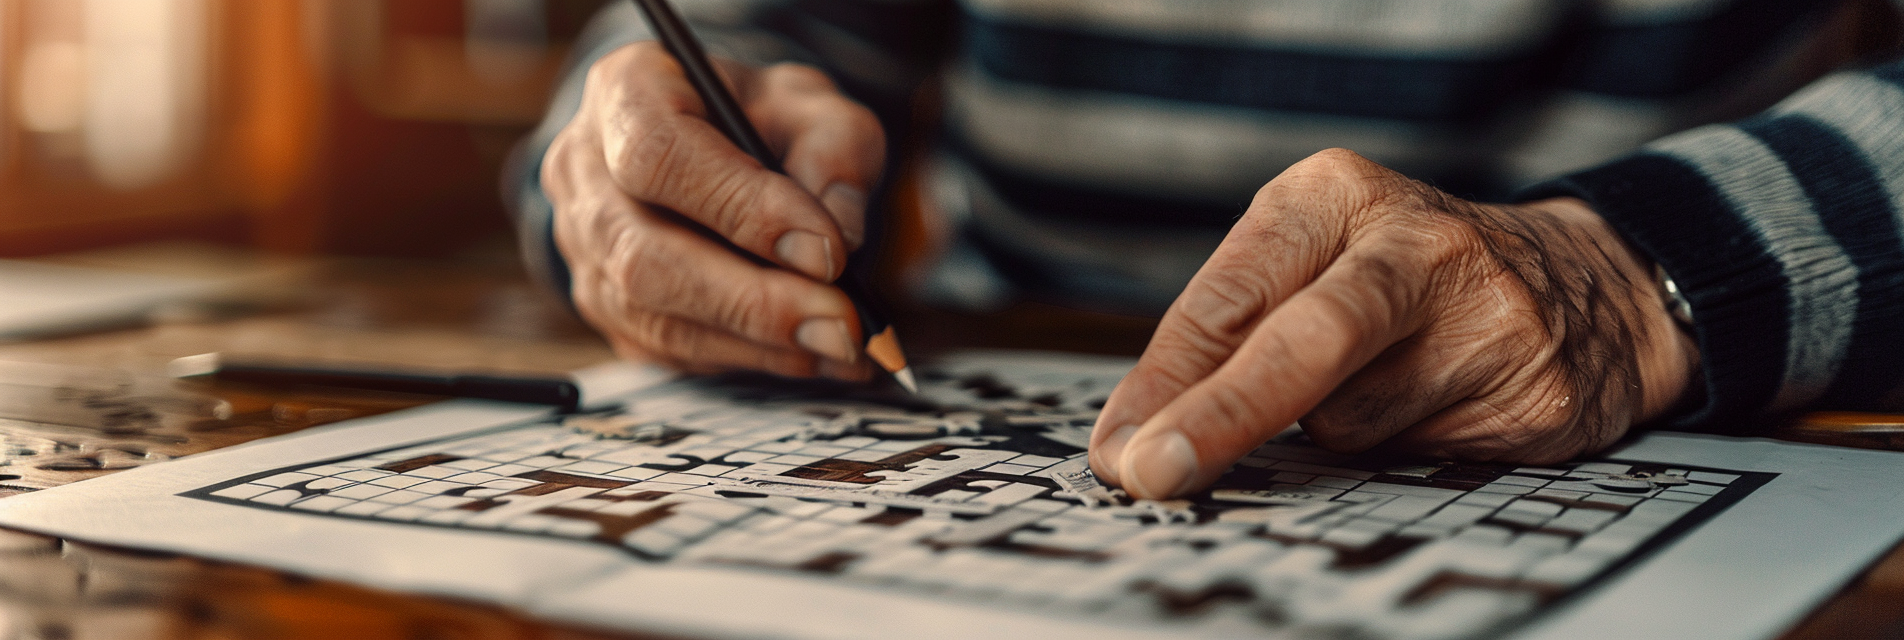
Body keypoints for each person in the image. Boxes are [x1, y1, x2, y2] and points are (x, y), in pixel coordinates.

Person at [506, 0, 1904, 500]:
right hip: (977, 414)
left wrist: (1635, 275)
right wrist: (634, 150)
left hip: (1641, 413)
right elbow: (747, 34)